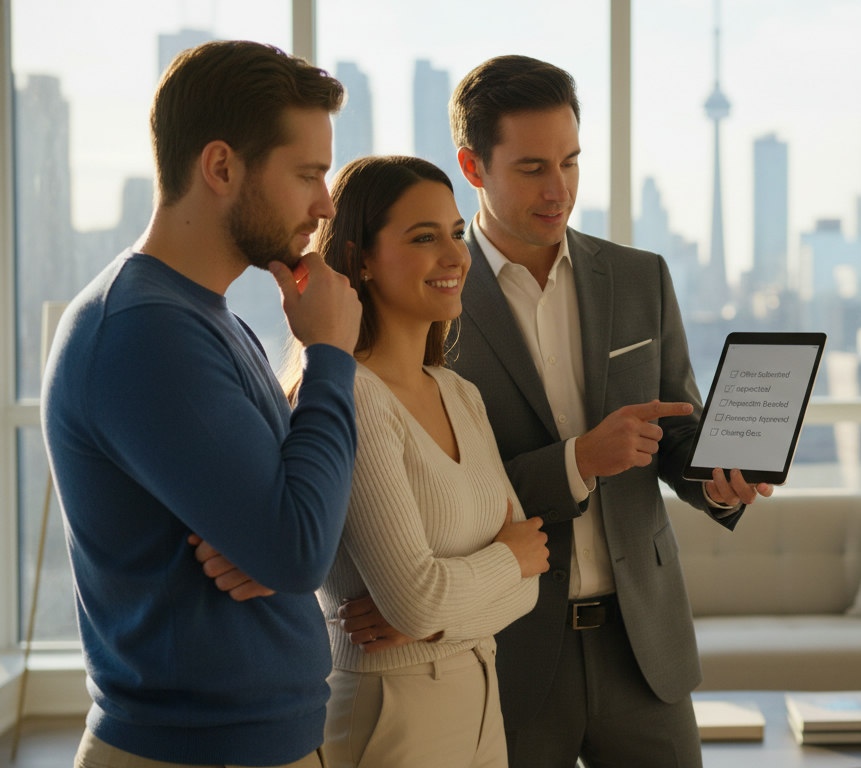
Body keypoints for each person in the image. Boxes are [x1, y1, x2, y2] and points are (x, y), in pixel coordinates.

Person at [340, 55, 773, 768]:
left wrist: (717, 478)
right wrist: (578, 462)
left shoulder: (639, 277)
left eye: (571, 161)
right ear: (473, 168)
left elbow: (676, 425)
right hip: (510, 647)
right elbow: (441, 489)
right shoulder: (433, 298)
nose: (560, 189)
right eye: (533, 167)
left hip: (643, 647)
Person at [40, 41, 362, 767]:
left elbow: (291, 524)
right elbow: (295, 542)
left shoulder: (207, 317)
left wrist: (272, 536)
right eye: (307, 173)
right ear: (220, 167)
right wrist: (330, 356)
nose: (325, 203)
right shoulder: (143, 330)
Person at [309, 156, 548, 767]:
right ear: (360, 258)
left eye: (457, 233)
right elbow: (423, 599)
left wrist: (438, 613)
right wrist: (505, 559)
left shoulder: (458, 393)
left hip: (480, 700)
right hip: (393, 714)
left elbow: (532, 584)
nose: (456, 255)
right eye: (424, 237)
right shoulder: (354, 396)